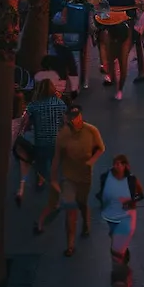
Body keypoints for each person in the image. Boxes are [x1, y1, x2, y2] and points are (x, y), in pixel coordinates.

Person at [34, 104, 104, 253]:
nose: (76, 120)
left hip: (84, 176)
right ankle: (70, 245)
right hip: (68, 176)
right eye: (72, 118)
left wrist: (90, 162)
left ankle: (86, 224)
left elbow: (100, 148)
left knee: (82, 203)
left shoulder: (92, 131)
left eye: (77, 116)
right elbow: (56, 159)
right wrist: (53, 178)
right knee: (70, 208)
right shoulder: (62, 135)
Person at [97, 154, 144, 261]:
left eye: (119, 164)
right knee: (114, 236)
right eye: (115, 164)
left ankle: (120, 260)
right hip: (111, 213)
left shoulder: (131, 179)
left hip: (126, 214)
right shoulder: (105, 177)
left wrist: (131, 201)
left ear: (125, 166)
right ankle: (121, 253)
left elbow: (141, 194)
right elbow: (103, 192)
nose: (116, 166)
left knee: (118, 243)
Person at [21, 79, 66, 190]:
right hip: (56, 141)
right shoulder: (59, 103)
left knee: (40, 163)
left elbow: (27, 122)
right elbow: (65, 121)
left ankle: (40, 181)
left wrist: (24, 130)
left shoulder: (34, 105)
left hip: (41, 141)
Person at [100, 0, 138, 99]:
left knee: (114, 61)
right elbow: (133, 17)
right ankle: (119, 89)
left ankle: (117, 86)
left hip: (114, 32)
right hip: (124, 33)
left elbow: (103, 15)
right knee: (122, 63)